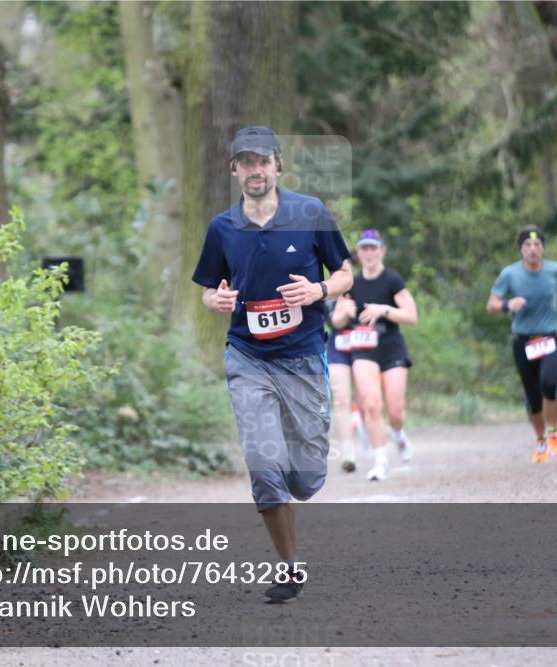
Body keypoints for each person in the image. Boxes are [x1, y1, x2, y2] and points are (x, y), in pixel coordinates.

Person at [192, 126, 352, 603]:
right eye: (246, 162)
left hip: (302, 357)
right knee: (264, 464)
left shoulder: (310, 212)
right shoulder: (222, 227)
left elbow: (345, 273)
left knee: (304, 478)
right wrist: (214, 301)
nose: (255, 170)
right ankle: (289, 566)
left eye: (263, 161)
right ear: (234, 169)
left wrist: (318, 290)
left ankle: (303, 475)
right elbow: (206, 289)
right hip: (248, 356)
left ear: (278, 165)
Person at [487, 226, 557, 464]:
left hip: (550, 336)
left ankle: (554, 432)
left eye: (537, 245)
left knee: (549, 382)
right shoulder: (510, 274)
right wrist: (508, 305)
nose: (533, 249)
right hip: (523, 340)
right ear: (521, 249)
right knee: (533, 395)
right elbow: (492, 304)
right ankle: (540, 439)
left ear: (543, 248)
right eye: (528, 245)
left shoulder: (555, 270)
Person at [335, 229, 417, 481]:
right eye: (364, 248)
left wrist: (384, 309)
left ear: (382, 250)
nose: (369, 252)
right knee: (370, 405)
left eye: (374, 247)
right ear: (359, 253)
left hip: (391, 348)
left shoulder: (392, 280)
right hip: (363, 350)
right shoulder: (352, 284)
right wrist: (344, 313)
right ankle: (380, 461)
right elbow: (337, 321)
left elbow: (411, 316)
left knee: (395, 412)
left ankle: (398, 433)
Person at [325, 297, 369, 473]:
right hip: (338, 347)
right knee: (341, 400)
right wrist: (343, 314)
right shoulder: (330, 294)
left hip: (365, 345)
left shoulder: (365, 289)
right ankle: (347, 454)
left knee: (365, 399)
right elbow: (333, 321)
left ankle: (370, 441)